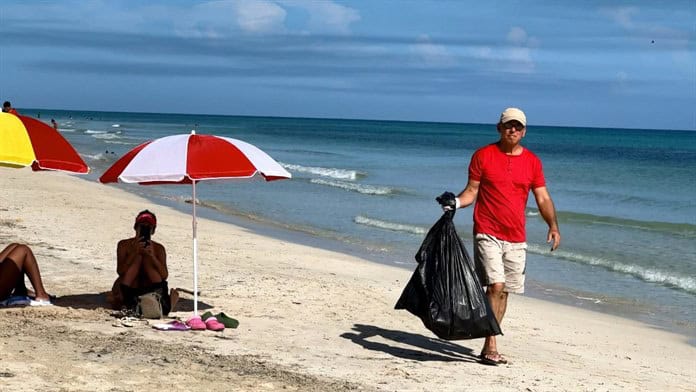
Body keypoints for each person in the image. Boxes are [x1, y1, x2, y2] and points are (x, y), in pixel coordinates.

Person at [438, 107, 561, 366]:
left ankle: (488, 339)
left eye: (518, 126)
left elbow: (542, 196)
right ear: (499, 127)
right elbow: (472, 191)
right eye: (508, 125)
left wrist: (553, 225)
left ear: (524, 131)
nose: (513, 130)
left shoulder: (533, 162)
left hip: (516, 236)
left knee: (504, 291)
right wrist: (456, 204)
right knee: (494, 285)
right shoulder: (483, 156)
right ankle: (491, 344)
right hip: (487, 231)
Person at [107, 210, 178, 316]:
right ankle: (130, 302)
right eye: (142, 226)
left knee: (146, 260)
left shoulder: (158, 248)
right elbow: (120, 271)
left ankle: (161, 302)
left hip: (150, 285)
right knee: (139, 259)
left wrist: (152, 256)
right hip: (130, 284)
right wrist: (134, 253)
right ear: (136, 227)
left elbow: (164, 275)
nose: (145, 229)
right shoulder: (124, 245)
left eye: (148, 227)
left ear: (153, 230)